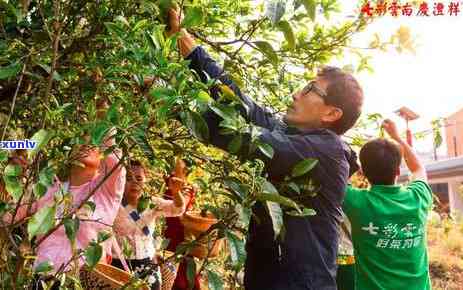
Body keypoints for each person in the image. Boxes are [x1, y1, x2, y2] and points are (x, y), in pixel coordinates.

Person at [166, 9, 364, 289]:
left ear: (332, 114)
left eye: (309, 89)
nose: (297, 94)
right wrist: (188, 45)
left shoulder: (327, 151)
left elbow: (248, 138)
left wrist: (170, 99)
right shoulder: (292, 135)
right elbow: (245, 106)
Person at [7, 99, 126, 278]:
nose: (87, 142)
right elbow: (8, 217)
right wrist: (11, 177)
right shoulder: (47, 191)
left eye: (92, 140)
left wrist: (103, 114)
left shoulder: (105, 191)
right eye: (81, 138)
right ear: (69, 152)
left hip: (84, 281)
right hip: (43, 279)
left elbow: (115, 159)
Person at [343, 119, 433, 290]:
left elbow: (333, 179)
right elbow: (418, 169)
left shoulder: (355, 201)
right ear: (398, 170)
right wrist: (397, 137)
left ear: (363, 173)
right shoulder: (418, 197)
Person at [111, 159, 187, 290]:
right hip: (118, 265)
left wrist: (176, 192)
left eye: (139, 178)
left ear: (145, 180)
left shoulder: (152, 203)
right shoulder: (113, 204)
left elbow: (177, 209)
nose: (134, 182)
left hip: (148, 264)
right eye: (128, 178)